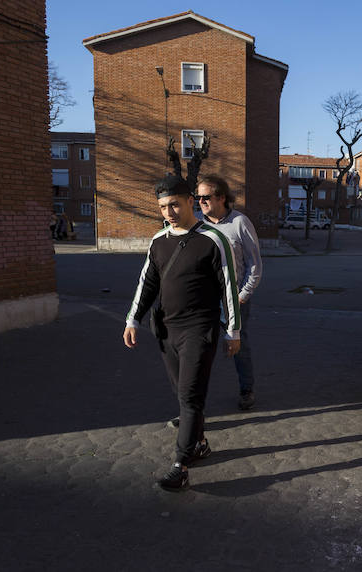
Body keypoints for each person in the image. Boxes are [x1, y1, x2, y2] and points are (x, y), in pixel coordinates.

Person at [123, 175, 241, 492]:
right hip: (165, 329)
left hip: (199, 329)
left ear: (191, 201)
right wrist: (133, 319)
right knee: (182, 394)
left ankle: (181, 464)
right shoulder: (158, 241)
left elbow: (229, 287)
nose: (169, 212)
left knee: (190, 396)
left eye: (174, 204)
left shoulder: (214, 240)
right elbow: (147, 283)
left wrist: (233, 330)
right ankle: (199, 443)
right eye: (163, 207)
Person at [195, 174, 262, 411]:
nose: (201, 201)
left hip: (235, 299)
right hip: (204, 302)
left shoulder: (239, 222)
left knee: (238, 346)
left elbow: (255, 265)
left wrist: (242, 295)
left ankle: (247, 389)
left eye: (206, 197)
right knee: (199, 350)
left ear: (222, 197)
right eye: (198, 197)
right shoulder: (196, 224)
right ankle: (193, 401)